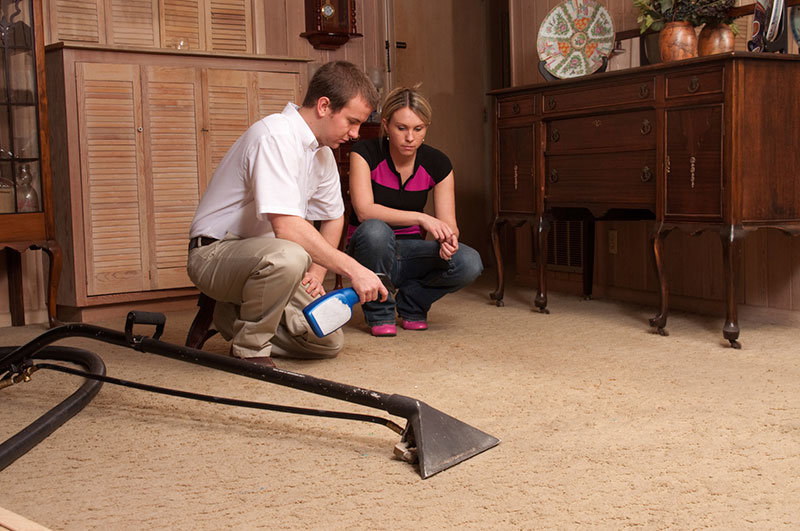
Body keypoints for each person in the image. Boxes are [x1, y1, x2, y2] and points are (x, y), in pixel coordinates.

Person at [187, 61, 388, 366]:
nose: (356, 133)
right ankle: (250, 349)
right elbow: (288, 229)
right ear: (324, 106)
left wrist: (316, 276)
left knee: (327, 340)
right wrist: (354, 270)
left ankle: (227, 314)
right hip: (215, 254)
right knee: (290, 255)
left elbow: (334, 216)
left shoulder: (322, 153)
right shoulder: (275, 136)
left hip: (271, 263)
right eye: (351, 121)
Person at [346, 86, 483, 337]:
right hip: (368, 250)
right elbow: (365, 211)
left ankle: (413, 303)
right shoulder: (364, 153)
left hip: (409, 253)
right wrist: (421, 217)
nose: (410, 137)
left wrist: (448, 239)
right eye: (402, 128)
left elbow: (448, 223)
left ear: (426, 127)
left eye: (418, 129)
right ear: (386, 125)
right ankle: (380, 313)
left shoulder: (438, 163)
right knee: (376, 230)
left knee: (469, 261)